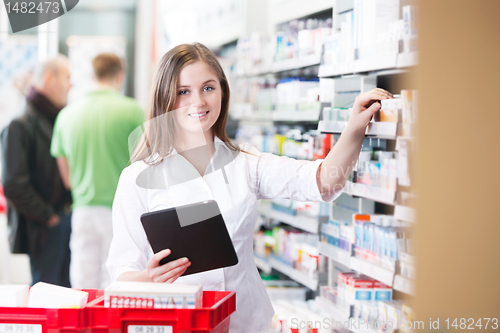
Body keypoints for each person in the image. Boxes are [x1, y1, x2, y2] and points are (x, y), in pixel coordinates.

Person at [107, 43, 393, 333]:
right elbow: (121, 274)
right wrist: (150, 277)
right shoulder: (137, 178)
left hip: (246, 321)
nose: (198, 102)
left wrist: (355, 126)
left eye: (208, 88)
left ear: (223, 91)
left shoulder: (245, 162)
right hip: (181, 322)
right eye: (183, 92)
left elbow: (323, 180)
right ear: (165, 99)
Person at [50, 53, 144, 289]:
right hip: (121, 211)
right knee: (116, 280)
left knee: (82, 280)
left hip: (83, 209)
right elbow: (147, 162)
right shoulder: (133, 111)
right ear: (119, 76)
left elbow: (66, 177)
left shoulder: (66, 115)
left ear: (92, 75)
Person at [0, 55, 73, 287]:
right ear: (50, 78)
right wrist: (48, 217)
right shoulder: (20, 125)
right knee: (50, 298)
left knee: (67, 297)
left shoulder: (58, 120)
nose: (71, 84)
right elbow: (13, 183)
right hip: (43, 227)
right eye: (67, 77)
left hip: (64, 220)